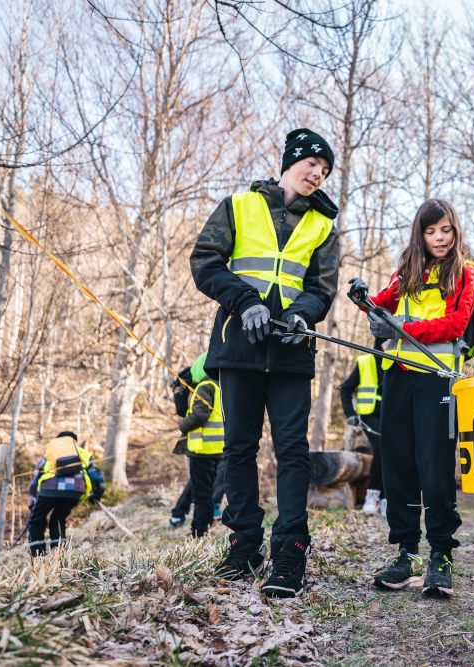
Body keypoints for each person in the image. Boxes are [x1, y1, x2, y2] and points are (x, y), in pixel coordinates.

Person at [191, 128, 340, 599]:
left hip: (292, 352)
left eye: (325, 170)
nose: (317, 173)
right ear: (291, 162)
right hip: (239, 346)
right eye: (312, 163)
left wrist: (302, 315)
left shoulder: (323, 227)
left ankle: (291, 551)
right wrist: (244, 300)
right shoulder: (238, 206)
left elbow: (322, 289)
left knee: (293, 451)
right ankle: (244, 545)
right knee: (238, 448)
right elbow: (205, 262)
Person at [352, 198, 474, 599]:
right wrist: (365, 301)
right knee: (398, 467)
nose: (439, 238)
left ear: (454, 229)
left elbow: (456, 322)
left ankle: (441, 554)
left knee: (435, 468)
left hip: (438, 379)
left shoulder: (466, 271)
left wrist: (404, 326)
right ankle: (406, 552)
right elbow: (383, 303)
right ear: (420, 234)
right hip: (399, 376)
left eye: (445, 230)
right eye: (430, 231)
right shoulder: (408, 267)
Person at [169, 354, 227, 528]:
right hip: (219, 448)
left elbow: (200, 414)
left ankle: (199, 532)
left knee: (202, 496)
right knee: (207, 493)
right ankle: (204, 527)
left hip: (202, 450)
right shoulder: (222, 387)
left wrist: (182, 425)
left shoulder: (204, 386)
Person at [27, 432, 104, 556]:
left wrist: (32, 500)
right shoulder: (83, 453)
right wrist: (96, 495)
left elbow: (36, 479)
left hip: (49, 490)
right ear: (74, 441)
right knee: (58, 518)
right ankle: (59, 553)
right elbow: (96, 477)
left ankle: (38, 556)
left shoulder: (50, 453)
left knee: (37, 520)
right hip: (74, 492)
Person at [339, 339, 387, 516]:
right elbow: (346, 388)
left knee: (394, 452)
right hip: (370, 414)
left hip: (392, 415)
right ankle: (372, 496)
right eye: (386, 341)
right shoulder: (365, 361)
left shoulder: (400, 361)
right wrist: (350, 414)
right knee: (382, 448)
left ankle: (386, 499)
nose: (389, 344)